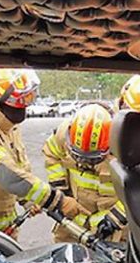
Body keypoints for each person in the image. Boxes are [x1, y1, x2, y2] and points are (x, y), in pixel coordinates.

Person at [0, 68, 88, 238]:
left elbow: (19, 167)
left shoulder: (8, 125)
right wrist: (57, 201)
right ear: (5, 99)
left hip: (5, 219)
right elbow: (9, 175)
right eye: (24, 99)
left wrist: (28, 200)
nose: (27, 106)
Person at [43, 103, 127, 243]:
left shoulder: (126, 148)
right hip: (73, 221)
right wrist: (61, 189)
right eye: (78, 156)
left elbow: (138, 192)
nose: (84, 162)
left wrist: (116, 218)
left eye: (92, 158)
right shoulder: (62, 134)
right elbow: (51, 154)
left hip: (111, 228)